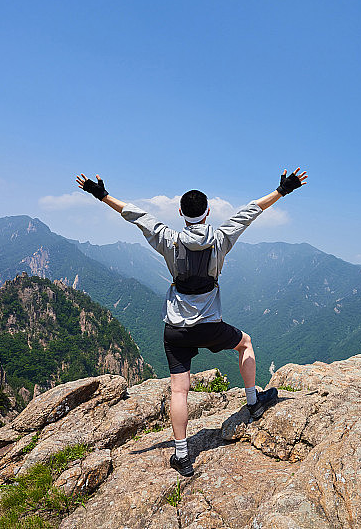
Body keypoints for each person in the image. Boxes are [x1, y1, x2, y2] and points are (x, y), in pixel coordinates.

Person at [75, 168, 308, 476]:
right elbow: (252, 211)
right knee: (245, 343)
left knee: (179, 391)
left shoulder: (168, 239)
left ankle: (182, 455)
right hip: (210, 326)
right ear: (208, 212)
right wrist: (282, 190)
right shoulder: (221, 238)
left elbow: (134, 214)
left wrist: (101, 194)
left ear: (180, 213)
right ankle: (254, 403)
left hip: (176, 329)